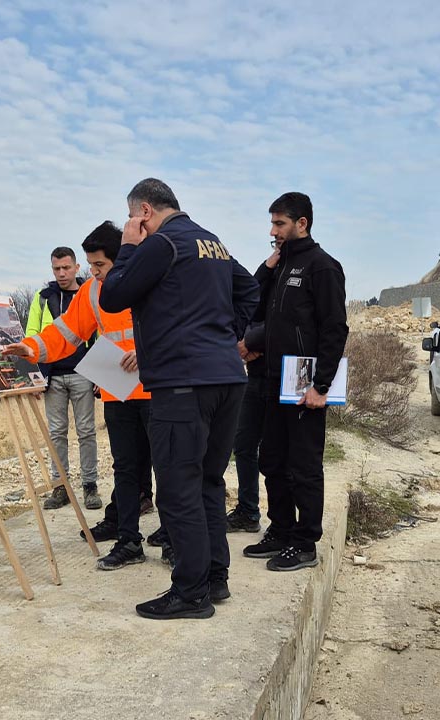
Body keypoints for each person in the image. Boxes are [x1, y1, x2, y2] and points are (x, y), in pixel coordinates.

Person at [100, 178, 259, 620]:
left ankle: (190, 593)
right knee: (207, 480)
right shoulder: (212, 242)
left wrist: (128, 247)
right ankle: (214, 578)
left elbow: (113, 296)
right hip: (227, 377)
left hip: (182, 384)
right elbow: (249, 291)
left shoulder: (161, 242)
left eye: (133, 218)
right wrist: (224, 338)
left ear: (144, 211)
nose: (133, 225)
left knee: (177, 489)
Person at [6, 223, 155, 570]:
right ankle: (129, 540)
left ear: (121, 260)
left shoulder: (150, 281)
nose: (92, 271)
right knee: (126, 468)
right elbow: (65, 332)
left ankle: (174, 537)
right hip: (117, 392)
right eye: (90, 265)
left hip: (154, 389)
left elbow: (173, 328)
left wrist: (146, 352)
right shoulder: (92, 291)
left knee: (167, 467)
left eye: (99, 264)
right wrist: (29, 348)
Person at [243, 192, 348, 572]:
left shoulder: (322, 267)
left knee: (303, 465)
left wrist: (321, 386)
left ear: (302, 223)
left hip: (306, 383)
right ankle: (282, 529)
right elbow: (252, 306)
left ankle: (305, 542)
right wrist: (269, 265)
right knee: (272, 460)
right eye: (272, 224)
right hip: (273, 380)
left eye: (280, 224)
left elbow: (335, 329)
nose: (274, 231)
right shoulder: (280, 265)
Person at [27, 247, 100, 511]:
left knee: (86, 432)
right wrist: (34, 376)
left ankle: (90, 486)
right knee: (56, 433)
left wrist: (100, 373)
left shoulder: (89, 293)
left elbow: (100, 332)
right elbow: (32, 333)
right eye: (56, 268)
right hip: (51, 376)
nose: (61, 273)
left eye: (66, 268)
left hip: (83, 372)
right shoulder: (42, 297)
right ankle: (61, 488)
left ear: (76, 267)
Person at [227, 320, 267, 533]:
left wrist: (252, 341)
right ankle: (248, 511)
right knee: (243, 445)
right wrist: (247, 344)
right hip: (254, 375)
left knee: (276, 454)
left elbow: (283, 321)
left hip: (279, 374)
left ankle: (285, 526)